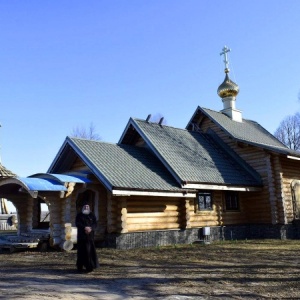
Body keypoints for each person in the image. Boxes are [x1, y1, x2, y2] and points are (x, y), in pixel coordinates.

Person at [75, 204, 99, 272]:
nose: (86, 207)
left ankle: (90, 267)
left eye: (87, 206)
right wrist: (85, 228)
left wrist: (91, 228)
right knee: (81, 252)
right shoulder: (79, 215)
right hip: (82, 237)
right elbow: (78, 223)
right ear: (83, 207)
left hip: (90, 237)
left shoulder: (92, 215)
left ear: (89, 207)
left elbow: (95, 224)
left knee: (89, 251)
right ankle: (80, 267)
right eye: (85, 206)